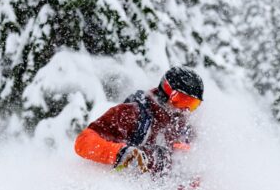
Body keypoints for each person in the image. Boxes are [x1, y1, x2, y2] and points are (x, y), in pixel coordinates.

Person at [74, 66, 204, 175]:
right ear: (166, 90)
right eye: (181, 100)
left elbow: (188, 171)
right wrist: (119, 153)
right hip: (122, 189)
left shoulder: (183, 128)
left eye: (193, 104)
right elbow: (83, 142)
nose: (185, 109)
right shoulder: (130, 114)